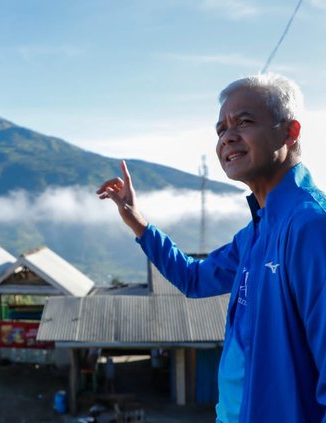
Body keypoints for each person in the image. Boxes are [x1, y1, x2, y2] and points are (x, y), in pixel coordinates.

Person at [96, 73, 326, 422]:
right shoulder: (258, 231)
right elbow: (194, 278)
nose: (227, 138)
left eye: (244, 122)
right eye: (220, 130)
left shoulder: (310, 227)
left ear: (290, 132)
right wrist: (136, 221)